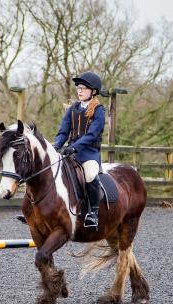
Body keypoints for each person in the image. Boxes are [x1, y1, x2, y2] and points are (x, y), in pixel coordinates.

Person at [53, 71, 106, 229]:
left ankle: (93, 213)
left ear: (93, 91)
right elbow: (64, 131)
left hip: (89, 154)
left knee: (90, 175)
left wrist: (74, 147)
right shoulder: (72, 109)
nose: (80, 90)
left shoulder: (99, 110)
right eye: (78, 87)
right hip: (71, 152)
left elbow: (92, 135)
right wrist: (56, 145)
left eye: (84, 88)